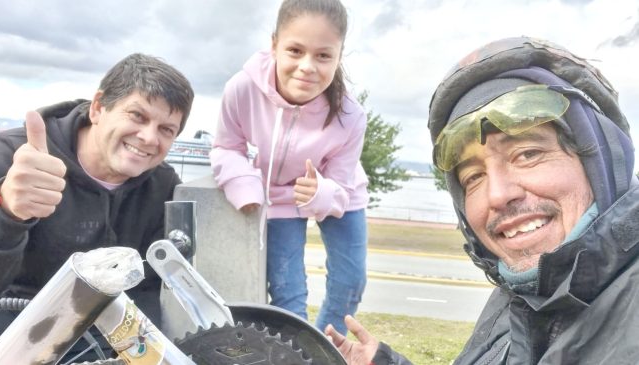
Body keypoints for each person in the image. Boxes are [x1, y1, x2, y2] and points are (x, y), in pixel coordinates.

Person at [326, 36, 639, 364]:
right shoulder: (523, 294)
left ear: (601, 160)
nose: (498, 195)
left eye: (528, 154)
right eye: (473, 177)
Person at [0, 53, 194, 356]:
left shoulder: (164, 186)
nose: (148, 138)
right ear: (98, 107)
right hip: (10, 324)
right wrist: (7, 212)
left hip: (107, 335)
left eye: (166, 130)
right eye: (137, 116)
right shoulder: (14, 155)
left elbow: (155, 291)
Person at [210, 0, 369, 335]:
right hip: (276, 196)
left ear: (339, 56)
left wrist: (323, 192)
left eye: (323, 55)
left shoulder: (351, 115)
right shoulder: (242, 89)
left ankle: (326, 348)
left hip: (341, 195)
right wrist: (245, 184)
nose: (307, 66)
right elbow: (227, 147)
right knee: (287, 292)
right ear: (274, 45)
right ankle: (295, 353)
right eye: (295, 50)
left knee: (350, 281)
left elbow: (340, 181)